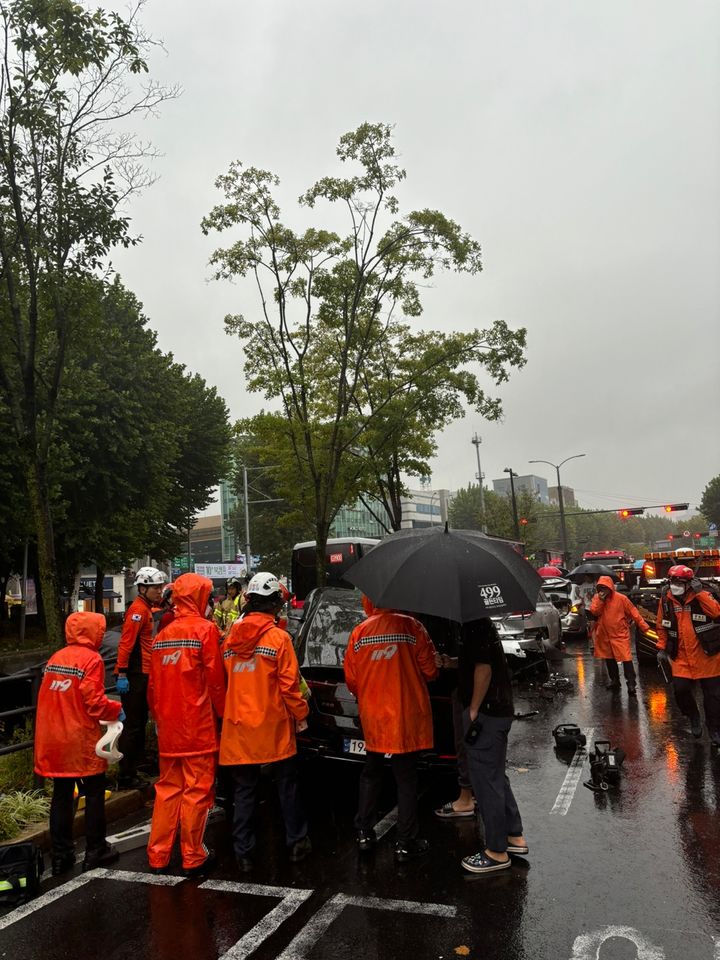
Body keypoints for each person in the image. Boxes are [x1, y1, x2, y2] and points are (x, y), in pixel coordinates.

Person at [219, 571, 311, 872]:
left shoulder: (231, 637)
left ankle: (243, 852)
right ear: (274, 604)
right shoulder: (278, 638)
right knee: (288, 786)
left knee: (244, 791)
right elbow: (290, 686)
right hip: (272, 725)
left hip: (238, 727)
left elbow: (224, 678)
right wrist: (301, 715)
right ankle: (297, 843)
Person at [344, 595, 438, 863]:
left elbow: (352, 679)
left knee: (371, 773)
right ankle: (405, 843)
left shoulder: (360, 632)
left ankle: (363, 832)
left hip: (374, 716)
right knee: (406, 779)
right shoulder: (413, 627)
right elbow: (430, 670)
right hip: (406, 716)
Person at [146, 573, 226, 877]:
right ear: (201, 597)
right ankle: (193, 855)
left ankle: (158, 855)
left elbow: (153, 687)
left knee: (167, 790)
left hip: (169, 727)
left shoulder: (162, 636)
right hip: (198, 726)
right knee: (197, 790)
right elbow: (215, 683)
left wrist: (159, 720)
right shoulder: (205, 631)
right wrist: (223, 714)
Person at [34, 612, 124, 875]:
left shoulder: (57, 657)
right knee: (94, 792)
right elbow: (94, 702)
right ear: (93, 632)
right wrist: (116, 709)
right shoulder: (92, 659)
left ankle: (61, 857)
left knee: (61, 796)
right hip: (80, 738)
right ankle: (96, 850)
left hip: (54, 737)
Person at [457, 618, 527, 875]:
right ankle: (513, 835)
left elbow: (484, 668)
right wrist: (453, 662)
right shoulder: (482, 623)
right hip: (498, 711)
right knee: (496, 776)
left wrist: (474, 709)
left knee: (486, 781)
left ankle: (497, 851)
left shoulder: (473, 624)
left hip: (487, 714)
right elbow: (480, 662)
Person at [115, 565, 167, 789]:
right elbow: (126, 643)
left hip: (143, 673)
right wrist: (122, 672)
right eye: (156, 587)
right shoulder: (138, 611)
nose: (160, 591)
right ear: (143, 588)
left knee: (139, 722)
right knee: (133, 725)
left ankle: (136, 765)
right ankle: (126, 775)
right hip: (136, 674)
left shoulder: (146, 608)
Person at [656, 564, 720, 744]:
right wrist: (661, 647)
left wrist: (699, 594)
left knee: (713, 697)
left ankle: (714, 729)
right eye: (672, 581)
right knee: (680, 690)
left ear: (689, 583)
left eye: (679, 582)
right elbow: (661, 625)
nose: (674, 585)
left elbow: (716, 613)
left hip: (708, 657)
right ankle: (693, 715)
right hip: (681, 657)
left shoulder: (703, 595)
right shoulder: (667, 599)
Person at [589, 575, 649, 696]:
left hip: (620, 634)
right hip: (604, 635)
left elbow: (634, 612)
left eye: (605, 588)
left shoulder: (621, 599)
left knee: (626, 659)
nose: (603, 590)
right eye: (601, 588)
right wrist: (601, 601)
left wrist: (644, 626)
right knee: (609, 660)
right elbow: (594, 612)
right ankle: (615, 681)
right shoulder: (597, 598)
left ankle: (631, 683)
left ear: (610, 588)